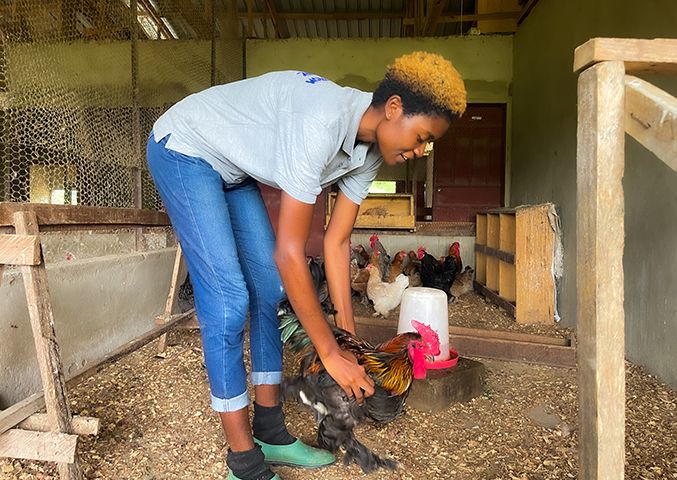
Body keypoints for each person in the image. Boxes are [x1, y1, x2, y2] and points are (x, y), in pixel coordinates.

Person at [146, 51, 466, 480]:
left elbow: (336, 243)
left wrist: (350, 345)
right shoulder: (320, 121)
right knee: (228, 301)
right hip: (185, 149)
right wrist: (329, 354)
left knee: (270, 292)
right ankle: (243, 463)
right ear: (394, 109)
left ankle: (271, 431)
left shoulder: (369, 153)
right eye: (423, 135)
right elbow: (289, 253)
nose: (422, 149)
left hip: (233, 170)